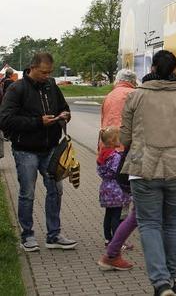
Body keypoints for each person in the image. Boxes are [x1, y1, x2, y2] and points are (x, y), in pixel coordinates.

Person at [120, 50, 176, 296]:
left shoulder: (135, 97)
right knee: (173, 224)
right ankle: (172, 277)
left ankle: (160, 283)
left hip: (144, 170)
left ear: (153, 69)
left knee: (149, 224)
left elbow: (125, 137)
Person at [97, 69, 176, 275]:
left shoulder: (112, 95)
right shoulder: (136, 97)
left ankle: (111, 254)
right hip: (138, 161)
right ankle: (171, 263)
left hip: (121, 155)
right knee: (158, 219)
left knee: (137, 215)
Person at [0, 53, 77, 252]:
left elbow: (64, 107)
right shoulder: (17, 89)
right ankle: (27, 235)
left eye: (50, 72)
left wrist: (65, 115)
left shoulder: (52, 86)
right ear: (32, 67)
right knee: (27, 193)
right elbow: (6, 120)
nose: (47, 76)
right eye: (43, 72)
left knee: (56, 190)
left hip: (50, 148)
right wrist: (37, 122)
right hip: (25, 150)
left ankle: (54, 235)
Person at [96, 127, 130, 247]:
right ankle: (117, 241)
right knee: (116, 216)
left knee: (108, 215)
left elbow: (100, 170)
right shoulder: (115, 156)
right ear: (112, 141)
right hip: (116, 190)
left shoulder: (102, 154)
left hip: (106, 188)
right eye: (118, 138)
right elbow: (117, 171)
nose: (120, 140)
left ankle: (108, 238)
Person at [0, 68, 15, 159]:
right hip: (7, 102)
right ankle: (8, 135)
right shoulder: (11, 82)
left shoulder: (2, 80)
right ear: (11, 74)